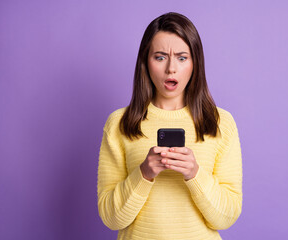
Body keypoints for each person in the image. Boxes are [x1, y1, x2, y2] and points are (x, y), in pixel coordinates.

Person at [97, 12, 243, 240]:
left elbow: (227, 217)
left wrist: (194, 174)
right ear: (145, 61)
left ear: (195, 63)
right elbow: (110, 218)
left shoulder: (221, 123)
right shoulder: (119, 123)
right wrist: (144, 173)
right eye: (160, 57)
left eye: (182, 58)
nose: (171, 69)